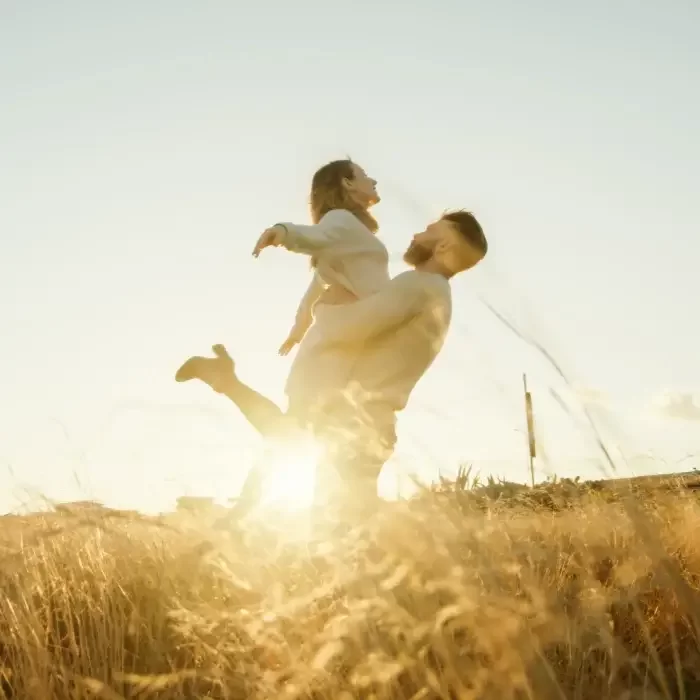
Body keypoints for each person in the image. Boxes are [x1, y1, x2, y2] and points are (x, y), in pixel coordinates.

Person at [176, 210, 488, 516]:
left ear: (444, 245)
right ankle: (227, 383)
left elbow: (352, 327)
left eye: (429, 230)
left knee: (335, 522)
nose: (417, 234)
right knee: (291, 446)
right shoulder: (438, 294)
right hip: (358, 418)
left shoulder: (419, 284)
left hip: (359, 424)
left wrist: (324, 305)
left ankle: (227, 384)